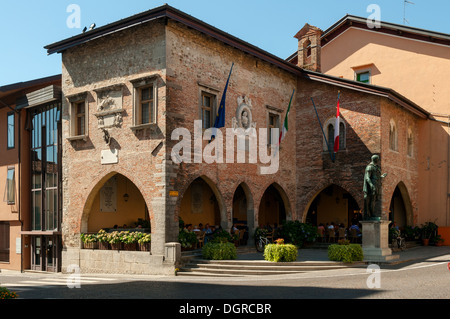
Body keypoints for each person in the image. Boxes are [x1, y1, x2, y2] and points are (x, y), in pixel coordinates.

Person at [363, 155, 387, 219]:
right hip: (373, 184)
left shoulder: (376, 167)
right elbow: (367, 177)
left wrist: (382, 176)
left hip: (377, 184)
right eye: (377, 159)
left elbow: (377, 176)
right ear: (375, 159)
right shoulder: (369, 167)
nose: (378, 160)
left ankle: (372, 214)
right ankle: (371, 214)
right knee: (372, 200)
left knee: (374, 200)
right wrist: (371, 185)